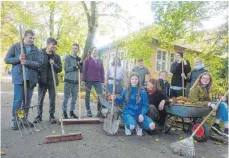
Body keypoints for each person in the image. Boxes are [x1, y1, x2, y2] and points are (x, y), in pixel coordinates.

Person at [4, 30, 43, 130]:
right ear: (24, 37)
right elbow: (7, 59)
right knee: (18, 100)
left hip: (31, 79)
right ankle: (16, 120)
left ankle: (24, 119)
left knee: (27, 101)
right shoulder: (16, 47)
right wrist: (18, 59)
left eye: (33, 38)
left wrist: (27, 62)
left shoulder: (36, 49)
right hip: (19, 78)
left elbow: (39, 63)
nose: (32, 40)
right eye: (30, 37)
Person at [188, 72, 228, 137]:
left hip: (203, 107)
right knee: (223, 105)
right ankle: (221, 126)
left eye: (207, 79)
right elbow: (194, 102)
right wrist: (209, 103)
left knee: (222, 104)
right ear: (200, 79)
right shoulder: (195, 88)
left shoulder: (206, 89)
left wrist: (218, 100)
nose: (205, 80)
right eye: (203, 78)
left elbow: (209, 101)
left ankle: (218, 125)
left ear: (209, 81)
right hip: (195, 107)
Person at [34, 38, 62, 124]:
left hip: (52, 81)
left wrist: (54, 64)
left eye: (55, 45)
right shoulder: (40, 54)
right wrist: (37, 77)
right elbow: (36, 66)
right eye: (53, 45)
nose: (54, 47)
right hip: (42, 80)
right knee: (40, 99)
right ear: (47, 44)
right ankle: (39, 116)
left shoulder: (56, 57)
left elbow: (60, 69)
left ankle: (51, 115)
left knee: (52, 99)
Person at [82, 46, 105, 117]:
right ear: (91, 51)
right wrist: (83, 80)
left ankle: (99, 111)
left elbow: (102, 71)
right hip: (88, 80)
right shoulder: (87, 60)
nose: (95, 52)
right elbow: (84, 70)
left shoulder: (100, 60)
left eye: (96, 50)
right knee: (87, 95)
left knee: (100, 95)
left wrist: (102, 81)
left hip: (97, 80)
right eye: (94, 50)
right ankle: (88, 111)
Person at [61, 43, 82, 119]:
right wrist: (75, 67)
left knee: (74, 98)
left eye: (75, 48)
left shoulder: (79, 59)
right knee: (66, 97)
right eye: (73, 48)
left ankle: (71, 112)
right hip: (68, 81)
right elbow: (66, 69)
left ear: (78, 50)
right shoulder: (68, 57)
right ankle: (64, 112)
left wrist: (80, 67)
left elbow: (80, 70)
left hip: (76, 81)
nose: (74, 50)